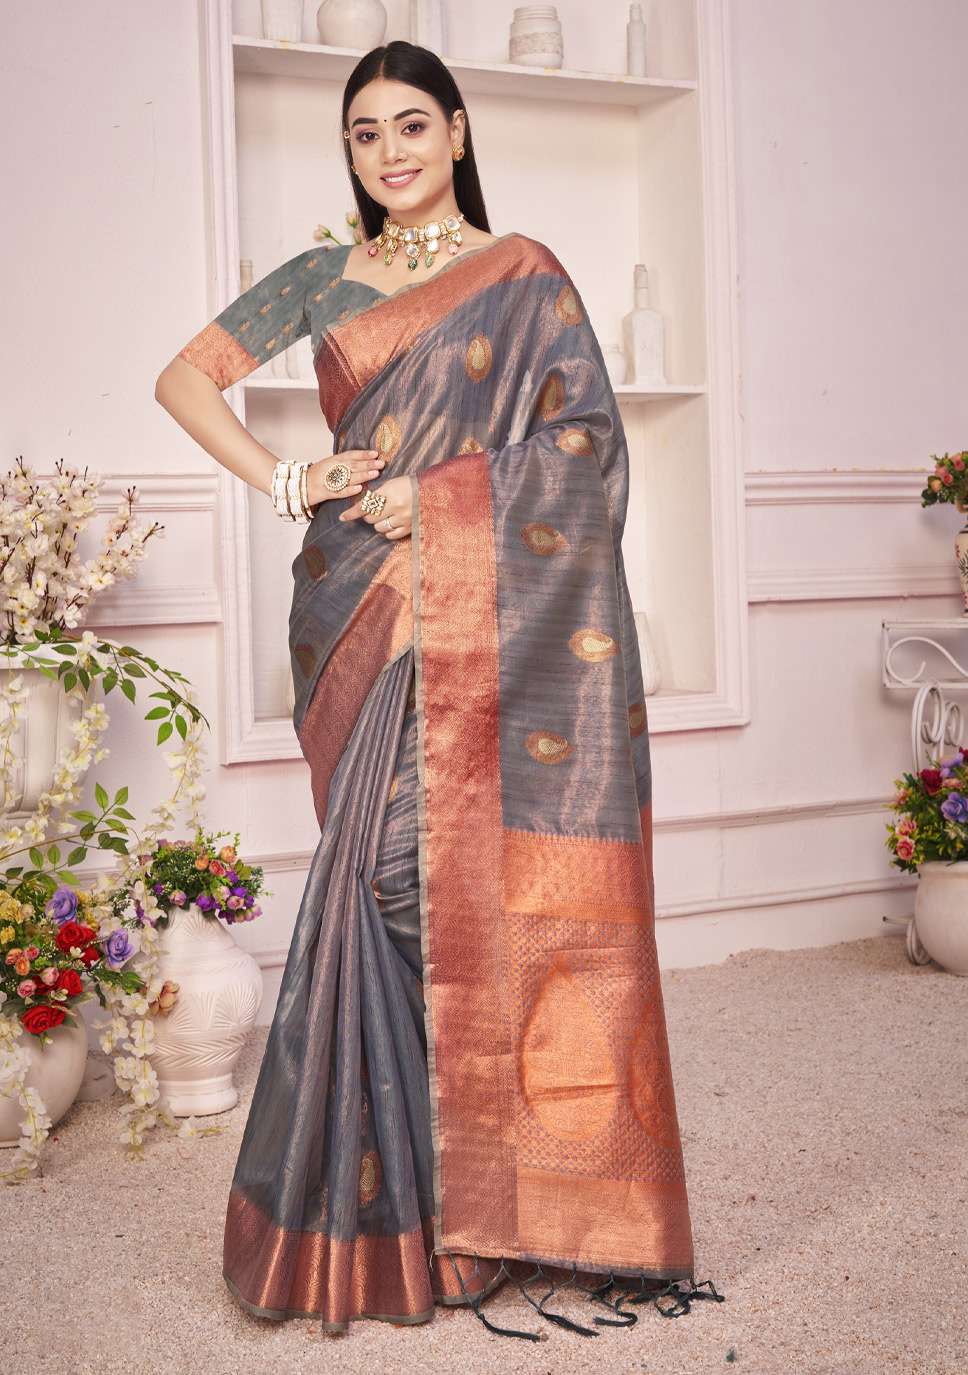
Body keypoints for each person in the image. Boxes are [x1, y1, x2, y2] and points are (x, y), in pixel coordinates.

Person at [154, 38, 721, 1342]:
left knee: (429, 881)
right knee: (383, 882)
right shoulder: (321, 276)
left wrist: (447, 499)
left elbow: (585, 446)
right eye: (365, 134)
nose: (390, 152)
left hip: (483, 610)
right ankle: (407, 1209)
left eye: (412, 124)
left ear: (458, 131)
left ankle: (488, 1205)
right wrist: (290, 479)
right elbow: (184, 378)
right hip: (353, 602)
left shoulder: (523, 274)